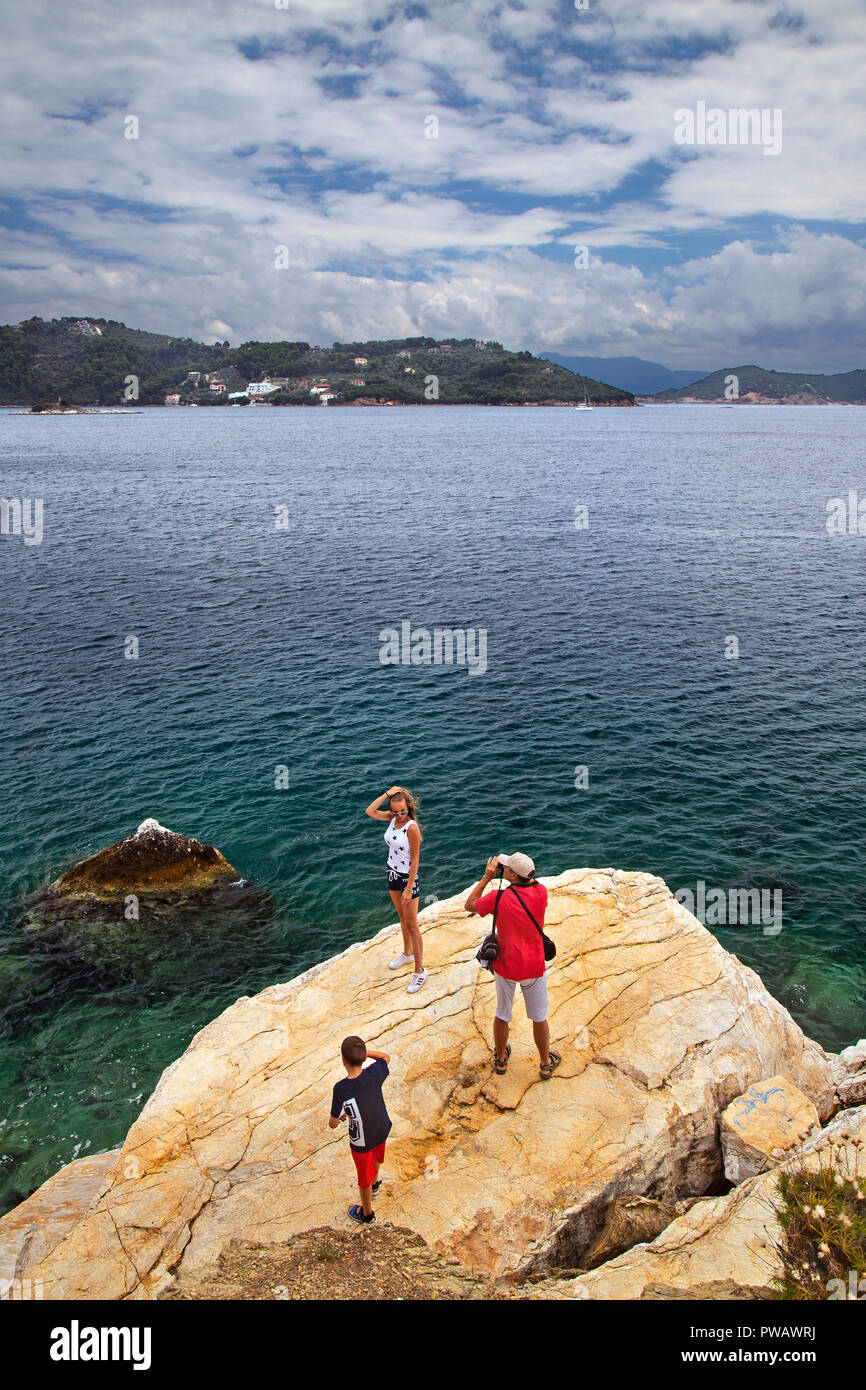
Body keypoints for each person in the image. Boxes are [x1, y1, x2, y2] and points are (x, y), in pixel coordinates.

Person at [464, 852, 561, 1080]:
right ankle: (545, 1063)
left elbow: (469, 905)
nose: (502, 868)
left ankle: (500, 1060)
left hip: (506, 967)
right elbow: (528, 886)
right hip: (533, 967)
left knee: (502, 1013)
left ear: (514, 875)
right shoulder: (541, 892)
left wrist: (487, 877)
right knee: (539, 1017)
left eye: (506, 867)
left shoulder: (499, 898)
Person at [364, 784, 426, 993]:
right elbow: (370, 811)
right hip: (392, 873)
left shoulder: (412, 828)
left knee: (412, 924)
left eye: (403, 811)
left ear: (408, 808)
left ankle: (419, 970)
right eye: (397, 811)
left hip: (408, 879)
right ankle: (407, 954)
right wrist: (387, 794)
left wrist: (409, 888)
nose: (400, 815)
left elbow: (416, 860)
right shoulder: (391, 819)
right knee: (402, 917)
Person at [328, 1035, 392, 1224]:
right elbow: (385, 1057)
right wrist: (365, 1053)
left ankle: (367, 1214)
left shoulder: (341, 1088)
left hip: (361, 1141)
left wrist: (339, 1117)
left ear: (343, 1061)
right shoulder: (374, 1073)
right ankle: (375, 1184)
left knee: (362, 1177)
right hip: (381, 1128)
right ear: (364, 1058)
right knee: (378, 1157)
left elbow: (332, 1123)